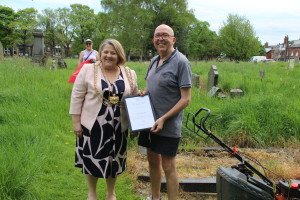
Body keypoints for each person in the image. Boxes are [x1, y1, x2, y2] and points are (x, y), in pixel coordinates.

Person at [70, 38, 138, 200]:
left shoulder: (130, 73)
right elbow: (77, 96)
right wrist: (76, 122)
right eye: (105, 52)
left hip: (118, 126)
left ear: (119, 55)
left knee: (114, 159)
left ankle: (111, 193)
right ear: (100, 54)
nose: (109, 56)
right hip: (93, 124)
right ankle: (92, 193)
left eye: (113, 53)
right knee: (92, 158)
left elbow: (134, 98)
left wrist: (136, 125)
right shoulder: (88, 70)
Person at [138, 24, 192, 200]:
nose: (161, 38)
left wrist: (163, 118)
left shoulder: (181, 62)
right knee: (152, 160)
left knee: (168, 166)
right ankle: (155, 198)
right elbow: (151, 86)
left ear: (173, 39)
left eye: (165, 35)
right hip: (148, 122)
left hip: (167, 124)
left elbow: (186, 99)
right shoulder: (154, 61)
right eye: (157, 35)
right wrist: (144, 92)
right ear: (153, 40)